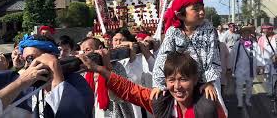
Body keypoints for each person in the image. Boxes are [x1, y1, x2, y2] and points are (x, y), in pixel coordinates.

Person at [78, 51, 226, 118]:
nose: (177, 86)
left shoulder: (208, 104)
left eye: (183, 79)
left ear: (195, 80)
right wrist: (100, 69)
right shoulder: (162, 100)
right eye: (171, 80)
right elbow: (130, 90)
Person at [0, 34, 94, 117]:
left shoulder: (76, 82)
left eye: (30, 59)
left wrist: (56, 74)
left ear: (51, 57)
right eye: (25, 60)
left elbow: (73, 114)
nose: (27, 66)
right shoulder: (31, 86)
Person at [152, 0, 222, 108]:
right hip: (180, 81)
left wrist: (208, 82)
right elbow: (163, 57)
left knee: (208, 108)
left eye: (202, 7)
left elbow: (213, 58)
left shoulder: (209, 29)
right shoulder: (173, 32)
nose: (202, 12)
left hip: (203, 81)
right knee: (157, 102)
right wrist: (158, 84)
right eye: (196, 9)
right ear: (181, 15)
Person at [80, 37, 135, 118]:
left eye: (88, 50)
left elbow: (120, 96)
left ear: (100, 49)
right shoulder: (85, 72)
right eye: (83, 52)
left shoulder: (116, 66)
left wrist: (107, 67)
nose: (85, 55)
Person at [229, 26, 264, 108]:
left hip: (250, 69)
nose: (246, 34)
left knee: (249, 86)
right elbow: (232, 56)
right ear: (241, 34)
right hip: (239, 69)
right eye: (244, 32)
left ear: (249, 33)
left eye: (247, 32)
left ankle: (247, 100)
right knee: (239, 85)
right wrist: (229, 67)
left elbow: (259, 55)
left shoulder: (254, 44)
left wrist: (260, 65)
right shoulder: (237, 44)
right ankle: (240, 102)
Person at [257, 22, 277, 95]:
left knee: (274, 77)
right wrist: (259, 64)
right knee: (267, 77)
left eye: (267, 29)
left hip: (275, 62)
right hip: (265, 62)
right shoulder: (261, 39)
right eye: (264, 29)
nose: (265, 31)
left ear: (271, 29)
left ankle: (273, 92)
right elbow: (258, 51)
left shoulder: (276, 37)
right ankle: (270, 92)